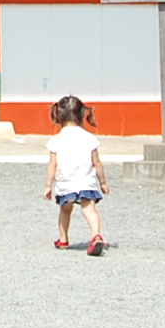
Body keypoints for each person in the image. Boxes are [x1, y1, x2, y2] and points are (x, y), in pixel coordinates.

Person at [43, 95, 107, 254]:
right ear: (82, 115)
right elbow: (96, 163)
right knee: (89, 208)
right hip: (86, 180)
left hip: (66, 182)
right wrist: (103, 182)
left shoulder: (56, 140)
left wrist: (48, 186)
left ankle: (63, 239)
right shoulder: (89, 138)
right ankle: (96, 235)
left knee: (65, 209)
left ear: (59, 116)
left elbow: (53, 165)